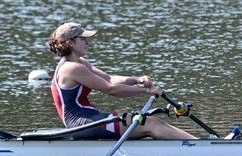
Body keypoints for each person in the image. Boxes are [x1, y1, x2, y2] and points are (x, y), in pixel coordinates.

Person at [48, 22, 198, 140]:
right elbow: (110, 89)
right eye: (83, 39)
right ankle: (201, 148)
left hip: (91, 118)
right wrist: (146, 91)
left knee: (151, 121)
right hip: (82, 124)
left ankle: (197, 143)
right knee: (150, 123)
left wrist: (137, 80)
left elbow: (110, 79)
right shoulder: (71, 68)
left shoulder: (81, 63)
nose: (87, 42)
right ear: (70, 42)